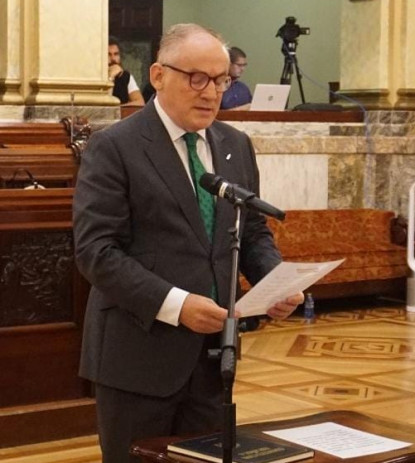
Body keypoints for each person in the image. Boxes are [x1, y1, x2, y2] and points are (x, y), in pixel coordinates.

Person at [74, 24, 303, 463]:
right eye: (197, 78)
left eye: (222, 80)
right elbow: (96, 252)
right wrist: (177, 305)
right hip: (137, 356)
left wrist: (274, 281)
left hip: (216, 357)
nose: (211, 92)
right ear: (158, 75)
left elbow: (251, 232)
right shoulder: (114, 147)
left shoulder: (235, 145)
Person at [108, 37, 145, 106]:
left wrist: (119, 109)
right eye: (109, 54)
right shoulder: (97, 78)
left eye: (116, 54)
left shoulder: (125, 76)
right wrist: (111, 77)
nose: (113, 59)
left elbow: (140, 102)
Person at [220, 46, 252, 110]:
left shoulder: (244, 88)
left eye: (244, 65)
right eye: (239, 65)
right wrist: (239, 109)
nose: (242, 69)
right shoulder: (218, 87)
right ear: (228, 64)